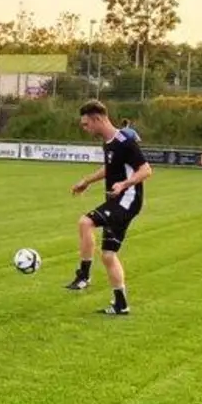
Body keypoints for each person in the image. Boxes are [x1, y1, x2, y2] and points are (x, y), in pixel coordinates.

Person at [67, 100, 153, 315]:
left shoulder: (125, 141)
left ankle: (83, 276)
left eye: (86, 124)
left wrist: (124, 184)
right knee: (108, 255)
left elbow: (146, 170)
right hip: (118, 201)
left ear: (97, 119)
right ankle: (121, 304)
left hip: (127, 200)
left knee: (85, 222)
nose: (85, 129)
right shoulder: (108, 142)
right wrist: (86, 181)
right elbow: (109, 168)